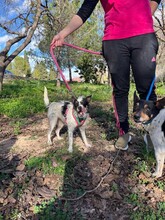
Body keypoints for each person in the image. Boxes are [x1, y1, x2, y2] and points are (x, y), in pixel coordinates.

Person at [51, 0, 161, 150]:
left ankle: (152, 132)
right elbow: (85, 9)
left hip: (143, 35)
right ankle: (123, 132)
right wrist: (63, 33)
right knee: (120, 90)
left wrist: (145, 16)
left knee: (146, 88)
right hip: (114, 39)